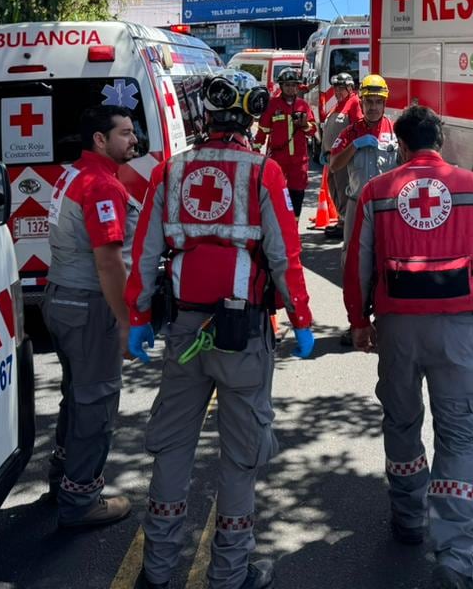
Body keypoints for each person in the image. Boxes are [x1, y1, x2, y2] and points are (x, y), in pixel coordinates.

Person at [124, 69, 316, 589]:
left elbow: (145, 251)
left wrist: (139, 316)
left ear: (203, 117)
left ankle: (157, 572)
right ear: (252, 117)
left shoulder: (171, 169)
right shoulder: (263, 172)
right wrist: (301, 319)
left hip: (185, 329)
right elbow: (284, 255)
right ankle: (229, 575)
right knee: (241, 455)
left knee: (172, 446)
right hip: (242, 332)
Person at [343, 106, 473, 589]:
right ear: (440, 142)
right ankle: (455, 562)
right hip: (457, 330)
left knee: (402, 421)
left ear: (400, 146)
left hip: (397, 329)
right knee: (460, 436)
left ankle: (407, 521)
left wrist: (359, 323)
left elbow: (356, 263)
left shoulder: (376, 192)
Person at [43, 105, 142, 527]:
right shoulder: (102, 185)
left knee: (77, 398)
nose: (134, 140)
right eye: (124, 133)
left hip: (60, 299)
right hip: (88, 306)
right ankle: (81, 500)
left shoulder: (72, 174)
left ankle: (63, 478)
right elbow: (108, 263)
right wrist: (125, 322)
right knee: (96, 403)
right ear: (99, 140)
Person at [329, 73, 399, 345]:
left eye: (377, 102)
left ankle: (383, 322)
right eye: (368, 101)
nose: (372, 107)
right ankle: (356, 322)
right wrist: (354, 146)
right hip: (357, 206)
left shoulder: (394, 132)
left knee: (385, 265)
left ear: (384, 103)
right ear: (362, 100)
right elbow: (334, 164)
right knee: (354, 267)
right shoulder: (351, 131)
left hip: (386, 210)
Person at [254, 65, 317, 216]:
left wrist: (305, 125)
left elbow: (313, 129)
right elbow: (262, 130)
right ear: (281, 86)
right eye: (287, 85)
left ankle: (293, 231)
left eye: (293, 85)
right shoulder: (272, 105)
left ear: (298, 87)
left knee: (297, 195)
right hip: (277, 160)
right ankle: (278, 227)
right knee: (276, 194)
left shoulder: (303, 105)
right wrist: (255, 151)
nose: (290, 88)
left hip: (299, 161)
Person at [318, 72, 362, 238]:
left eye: (341, 89)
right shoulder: (337, 105)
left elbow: (357, 127)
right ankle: (341, 219)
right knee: (334, 189)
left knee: (343, 189)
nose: (337, 92)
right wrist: (324, 150)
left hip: (344, 157)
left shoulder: (354, 103)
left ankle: (345, 224)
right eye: (335, 89)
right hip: (331, 157)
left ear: (350, 88)